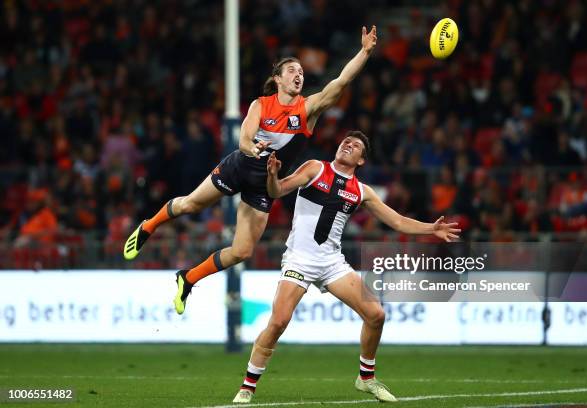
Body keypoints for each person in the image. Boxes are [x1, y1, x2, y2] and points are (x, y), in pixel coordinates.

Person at [123, 27, 378, 314]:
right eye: (292, 70)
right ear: (278, 79)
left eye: (302, 72)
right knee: (190, 204)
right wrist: (251, 148)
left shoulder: (308, 109)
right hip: (239, 167)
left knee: (242, 251)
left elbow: (341, 81)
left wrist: (365, 51)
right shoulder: (261, 104)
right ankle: (148, 226)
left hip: (264, 185)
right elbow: (244, 136)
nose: (298, 75)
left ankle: (187, 278)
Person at [232, 131, 461, 404]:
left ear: (361, 160)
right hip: (299, 260)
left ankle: (366, 378)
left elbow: (398, 222)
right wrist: (272, 175)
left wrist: (431, 228)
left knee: (376, 314)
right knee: (279, 321)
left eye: (355, 146)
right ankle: (248, 386)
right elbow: (277, 191)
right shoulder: (315, 168)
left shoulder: (362, 191)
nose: (348, 145)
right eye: (346, 142)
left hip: (331, 262)